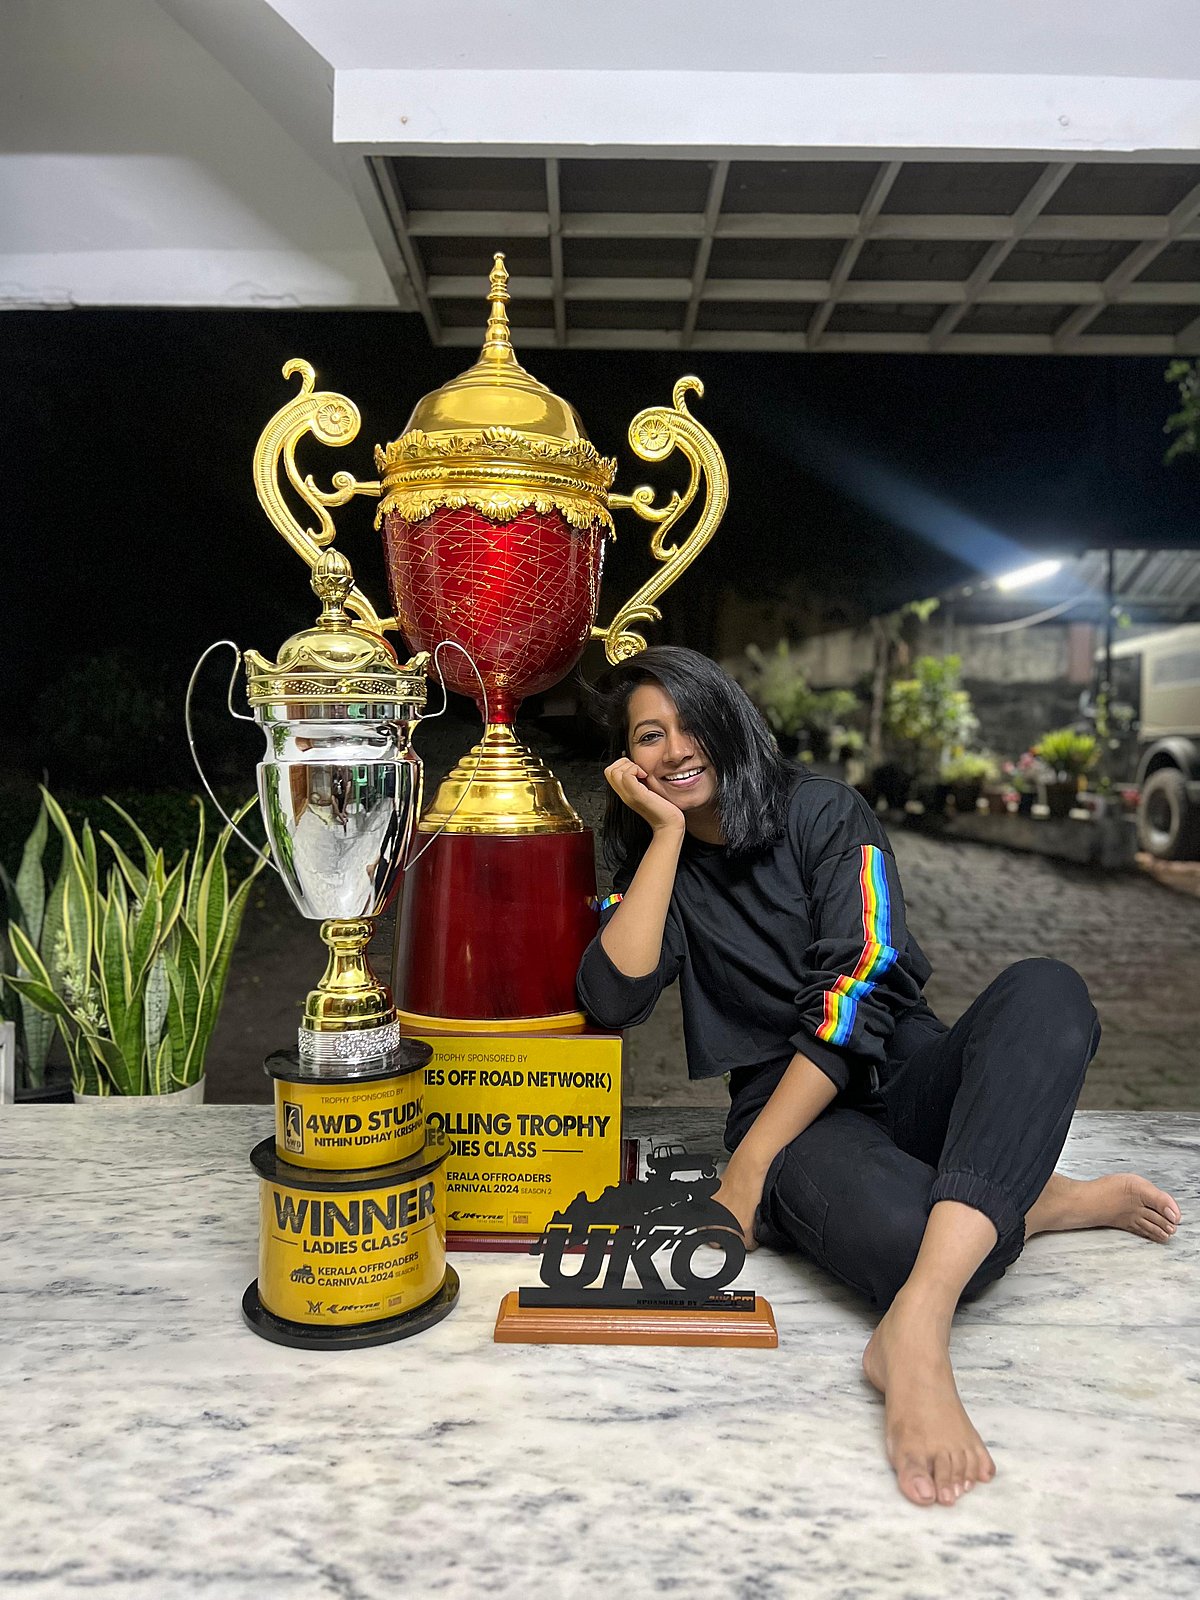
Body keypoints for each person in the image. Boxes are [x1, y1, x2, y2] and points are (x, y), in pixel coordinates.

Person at [576, 645, 1182, 1511]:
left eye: (691, 722)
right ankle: (1037, 1200)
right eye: (648, 735)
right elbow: (611, 997)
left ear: (730, 720)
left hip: (903, 1072)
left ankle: (915, 1335)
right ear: (626, 762)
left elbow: (861, 987)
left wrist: (743, 1178)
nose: (675, 749)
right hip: (791, 1117)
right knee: (912, 1240)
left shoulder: (823, 811)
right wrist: (665, 839)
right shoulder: (657, 869)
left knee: (1048, 990)